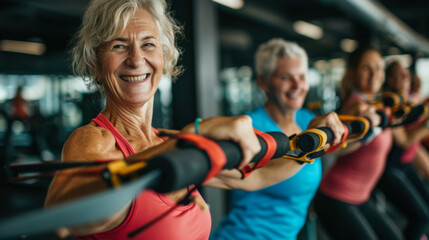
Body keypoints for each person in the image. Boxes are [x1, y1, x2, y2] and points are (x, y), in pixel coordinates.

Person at [44, 1, 345, 239]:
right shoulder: (93, 140)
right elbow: (64, 216)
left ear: (163, 58)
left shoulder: (165, 140)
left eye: (148, 44)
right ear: (96, 66)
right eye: (118, 46)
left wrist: (311, 144)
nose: (136, 59)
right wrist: (193, 135)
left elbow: (255, 178)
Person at [212, 39, 345, 240]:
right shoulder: (250, 128)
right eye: (285, 77)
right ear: (263, 83)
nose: (297, 85)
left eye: (301, 76)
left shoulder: (308, 120)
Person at [314, 46, 405, 240]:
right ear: (353, 73)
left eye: (379, 68)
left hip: (360, 196)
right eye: (367, 68)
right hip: (336, 195)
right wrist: (367, 132)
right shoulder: (356, 105)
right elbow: (334, 151)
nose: (374, 74)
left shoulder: (375, 104)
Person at [376, 60, 429, 240]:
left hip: (404, 165)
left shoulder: (408, 100)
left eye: (406, 73)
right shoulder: (388, 105)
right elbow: (405, 140)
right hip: (389, 169)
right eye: (400, 74)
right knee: (421, 217)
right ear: (389, 79)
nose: (406, 77)